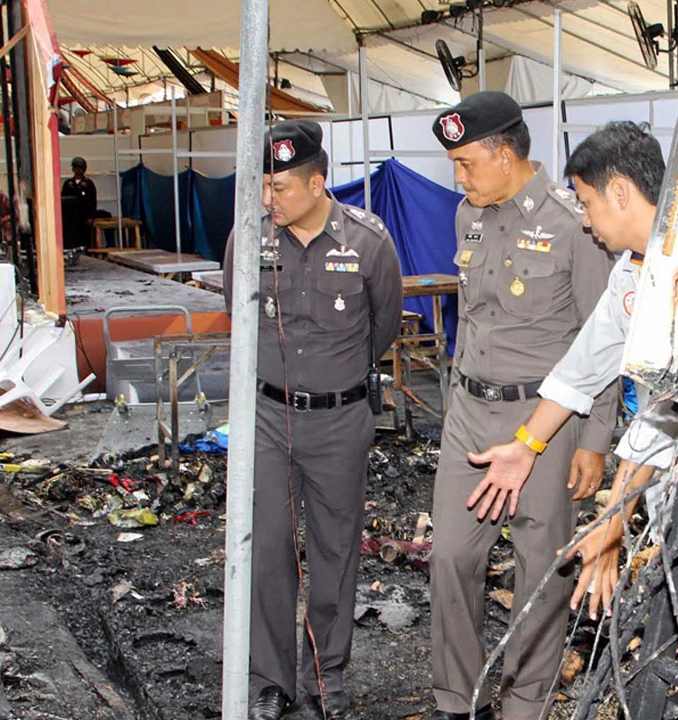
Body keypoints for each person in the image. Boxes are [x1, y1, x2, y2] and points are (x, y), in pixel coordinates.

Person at [467, 122, 678, 720]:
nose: (584, 220)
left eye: (586, 202)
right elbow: (584, 366)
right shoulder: (632, 268)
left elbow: (671, 413)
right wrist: (525, 444)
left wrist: (613, 518)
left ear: (621, 192)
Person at [426, 91, 617, 720]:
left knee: (541, 569)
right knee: (452, 557)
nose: (459, 177)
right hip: (469, 412)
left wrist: (595, 439)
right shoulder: (467, 215)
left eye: (466, 163)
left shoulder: (573, 223)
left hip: (546, 420)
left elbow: (601, 339)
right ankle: (459, 701)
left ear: (504, 154)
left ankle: (524, 705)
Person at [222, 120, 404, 720]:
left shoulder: (367, 241)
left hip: (338, 422)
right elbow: (235, 311)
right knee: (267, 548)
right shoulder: (249, 238)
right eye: (263, 185)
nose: (267, 199)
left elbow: (383, 326)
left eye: (279, 188)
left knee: (334, 553)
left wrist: (333, 379)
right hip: (267, 419)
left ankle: (328, 678)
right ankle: (270, 681)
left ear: (317, 184)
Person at [60, 156, 98, 249]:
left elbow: (93, 201)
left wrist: (91, 216)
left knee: (84, 237)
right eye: (76, 167)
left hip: (84, 216)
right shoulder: (68, 183)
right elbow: (63, 199)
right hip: (71, 216)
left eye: (80, 168)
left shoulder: (88, 183)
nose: (78, 170)